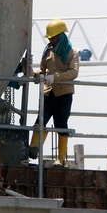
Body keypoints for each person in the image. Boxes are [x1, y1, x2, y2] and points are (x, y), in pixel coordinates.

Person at [28, 18, 79, 167]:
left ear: (61, 36)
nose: (51, 40)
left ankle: (60, 159)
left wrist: (54, 78)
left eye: (53, 37)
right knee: (40, 120)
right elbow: (43, 70)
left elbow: (73, 73)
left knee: (61, 124)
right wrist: (36, 74)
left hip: (64, 94)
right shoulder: (48, 52)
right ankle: (33, 148)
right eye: (50, 37)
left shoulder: (72, 53)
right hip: (48, 92)